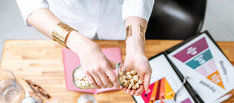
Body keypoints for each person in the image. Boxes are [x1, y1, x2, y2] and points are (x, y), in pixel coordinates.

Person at [16, 0, 154, 96]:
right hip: (61, 23)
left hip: (118, 18)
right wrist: (80, 45)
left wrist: (135, 45)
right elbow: (30, 4)